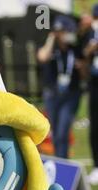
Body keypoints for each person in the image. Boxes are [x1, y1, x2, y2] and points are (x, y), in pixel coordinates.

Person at [37, 15, 84, 159]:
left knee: (63, 131)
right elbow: (42, 57)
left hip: (70, 94)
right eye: (65, 31)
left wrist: (82, 67)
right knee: (56, 132)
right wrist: (51, 38)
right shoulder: (51, 48)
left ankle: (63, 162)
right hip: (52, 94)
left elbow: (84, 73)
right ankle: (59, 161)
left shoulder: (75, 49)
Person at [84, 5, 98, 185]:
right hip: (95, 83)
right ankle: (97, 165)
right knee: (95, 125)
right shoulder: (90, 33)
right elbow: (84, 54)